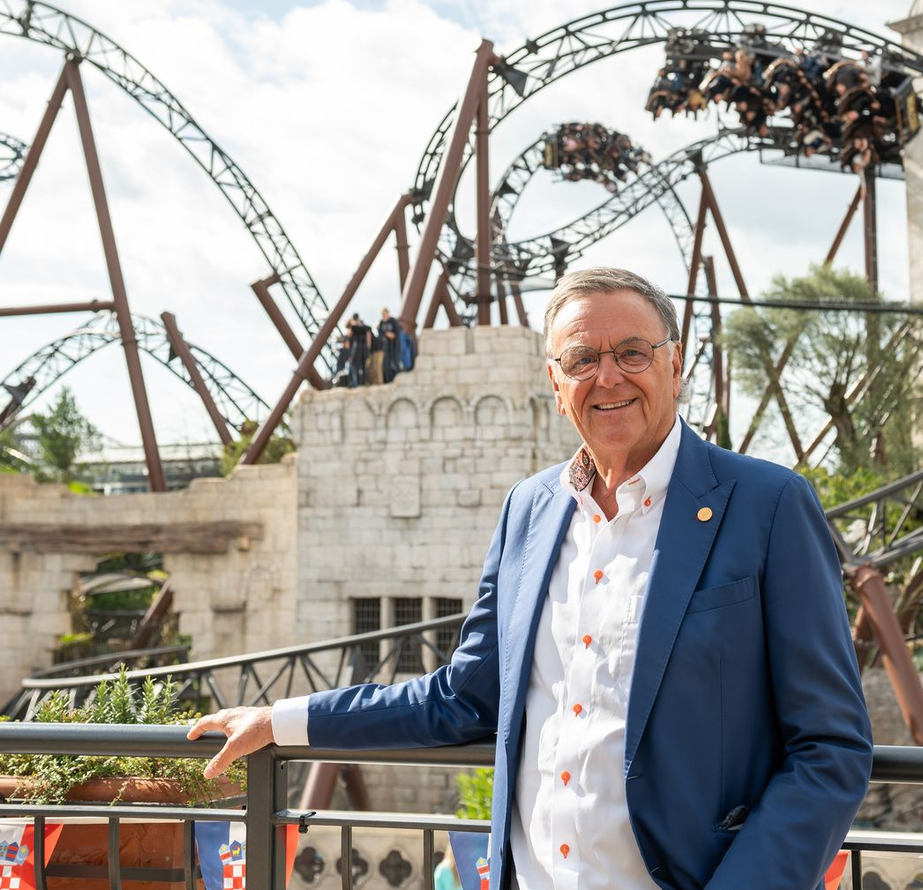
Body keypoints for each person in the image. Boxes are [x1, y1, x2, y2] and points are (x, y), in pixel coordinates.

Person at [189, 268, 873, 890]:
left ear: (673, 363)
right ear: (554, 383)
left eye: (631, 352)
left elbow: (831, 744)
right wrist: (283, 719)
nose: (608, 377)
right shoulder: (530, 509)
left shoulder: (767, 504)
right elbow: (462, 696)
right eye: (582, 359)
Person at [378, 308, 401, 384]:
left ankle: (397, 378)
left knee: (394, 362)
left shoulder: (393, 321)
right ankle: (388, 380)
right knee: (386, 363)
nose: (384, 315)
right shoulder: (381, 322)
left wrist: (392, 335)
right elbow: (380, 334)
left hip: (394, 345)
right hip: (385, 346)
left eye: (385, 313)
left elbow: (397, 332)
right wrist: (386, 334)